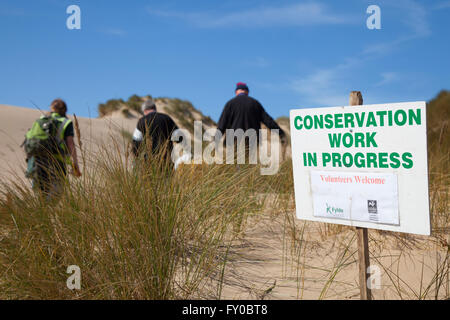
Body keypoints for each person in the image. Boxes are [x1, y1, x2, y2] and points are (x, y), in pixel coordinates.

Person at [26, 99, 81, 198]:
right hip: (56, 162)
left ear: (51, 108)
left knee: (39, 194)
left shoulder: (41, 120)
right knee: (57, 193)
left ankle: (40, 211)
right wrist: (75, 164)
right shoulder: (66, 122)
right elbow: (70, 143)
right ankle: (46, 210)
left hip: (36, 161)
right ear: (65, 110)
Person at [217, 82, 286, 160]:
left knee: (234, 165)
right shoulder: (255, 103)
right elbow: (268, 121)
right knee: (249, 166)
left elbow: (222, 124)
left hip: (233, 139)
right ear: (247, 92)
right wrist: (281, 133)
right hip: (252, 139)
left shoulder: (230, 104)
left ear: (236, 92)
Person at [132, 99, 180, 165]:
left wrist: (137, 157)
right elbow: (179, 137)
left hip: (149, 161)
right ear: (155, 108)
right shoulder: (167, 118)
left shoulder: (142, 121)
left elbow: (136, 142)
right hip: (168, 160)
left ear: (145, 111)